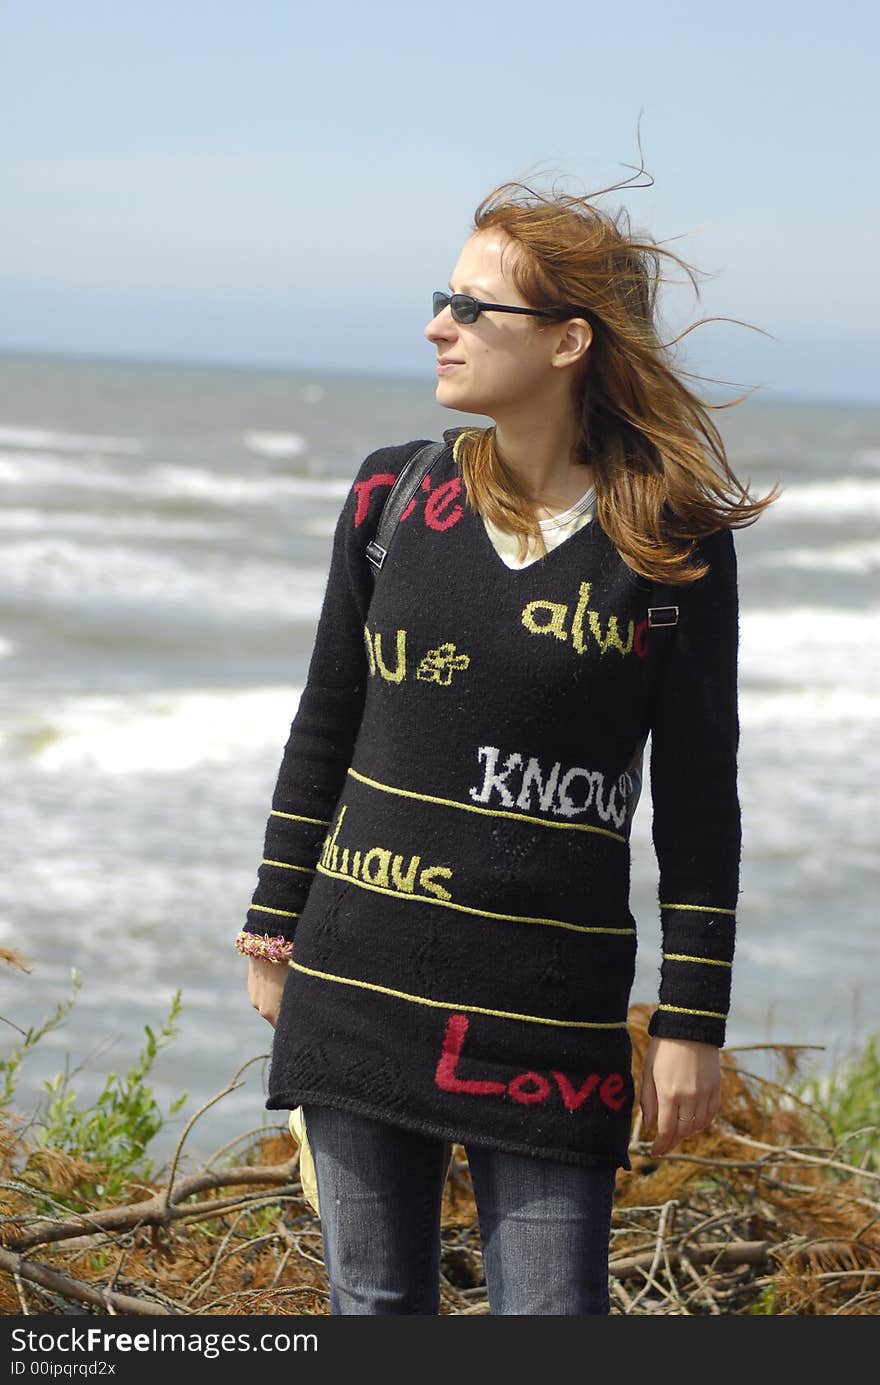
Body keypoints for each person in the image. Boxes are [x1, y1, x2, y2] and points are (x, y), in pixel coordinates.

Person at [236, 175, 778, 1315]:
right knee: (375, 1307)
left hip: (547, 1016)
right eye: (445, 297)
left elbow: (696, 798)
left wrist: (691, 1019)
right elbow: (328, 715)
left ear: (570, 339)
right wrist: (271, 923)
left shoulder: (666, 542)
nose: (439, 323)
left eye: (473, 306)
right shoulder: (394, 497)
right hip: (356, 980)